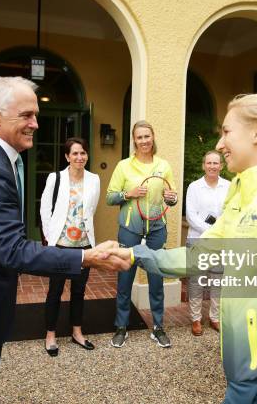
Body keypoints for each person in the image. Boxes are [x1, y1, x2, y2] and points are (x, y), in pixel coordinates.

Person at [107, 94, 257, 403]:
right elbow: (201, 254)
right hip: (245, 366)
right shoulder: (241, 194)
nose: (220, 144)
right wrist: (136, 255)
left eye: (226, 132)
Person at [0, 76, 129, 404]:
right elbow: (13, 249)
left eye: (35, 114)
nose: (35, 123)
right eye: (26, 115)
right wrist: (85, 257)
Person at [106, 120, 178, 348]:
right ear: (134, 140)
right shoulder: (124, 166)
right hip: (130, 230)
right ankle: (121, 327)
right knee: (125, 278)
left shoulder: (163, 165)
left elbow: (172, 196)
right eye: (140, 137)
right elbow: (110, 197)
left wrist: (171, 199)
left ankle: (158, 327)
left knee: (156, 279)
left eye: (147, 136)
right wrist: (129, 193)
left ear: (153, 137)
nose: (144, 141)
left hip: (156, 229)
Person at [40, 137, 100, 356]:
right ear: (67, 156)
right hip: (60, 246)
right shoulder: (55, 178)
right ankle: (50, 335)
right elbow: (45, 209)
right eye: (74, 153)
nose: (79, 157)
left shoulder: (94, 179)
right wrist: (49, 239)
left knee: (79, 291)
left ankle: (77, 332)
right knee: (55, 291)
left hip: (84, 245)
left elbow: (92, 209)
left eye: (83, 153)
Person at [185, 150, 230, 336]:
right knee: (196, 281)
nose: (212, 166)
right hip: (198, 239)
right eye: (209, 163)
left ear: (221, 166)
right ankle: (196, 319)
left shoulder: (229, 187)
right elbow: (191, 215)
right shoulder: (194, 187)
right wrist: (211, 231)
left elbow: (231, 213)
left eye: (216, 163)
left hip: (220, 242)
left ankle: (215, 317)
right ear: (204, 165)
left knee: (217, 279)